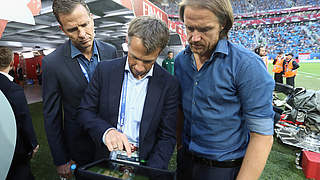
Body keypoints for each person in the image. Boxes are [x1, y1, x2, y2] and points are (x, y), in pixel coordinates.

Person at [175, 0, 275, 179]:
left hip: (223, 170)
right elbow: (180, 109)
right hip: (185, 162)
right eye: (189, 28)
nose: (194, 37)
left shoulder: (247, 66)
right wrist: (179, 146)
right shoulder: (181, 61)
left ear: (223, 25)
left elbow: (262, 136)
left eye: (205, 29)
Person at [77, 16, 179, 169]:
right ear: (127, 42)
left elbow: (168, 136)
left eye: (148, 61)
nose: (139, 67)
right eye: (134, 57)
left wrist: (149, 172)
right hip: (105, 160)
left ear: (159, 53)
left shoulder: (169, 84)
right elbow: (85, 111)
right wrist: (107, 132)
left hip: (146, 164)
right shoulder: (104, 71)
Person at [42, 0, 117, 178]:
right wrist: (60, 159)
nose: (82, 34)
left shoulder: (111, 51)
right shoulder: (52, 63)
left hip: (112, 145)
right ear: (62, 29)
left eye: (85, 24)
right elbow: (51, 117)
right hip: (79, 150)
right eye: (72, 29)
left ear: (92, 19)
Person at [0, 47, 39, 180]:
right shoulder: (13, 89)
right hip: (15, 148)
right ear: (12, 64)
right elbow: (24, 119)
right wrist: (33, 143)